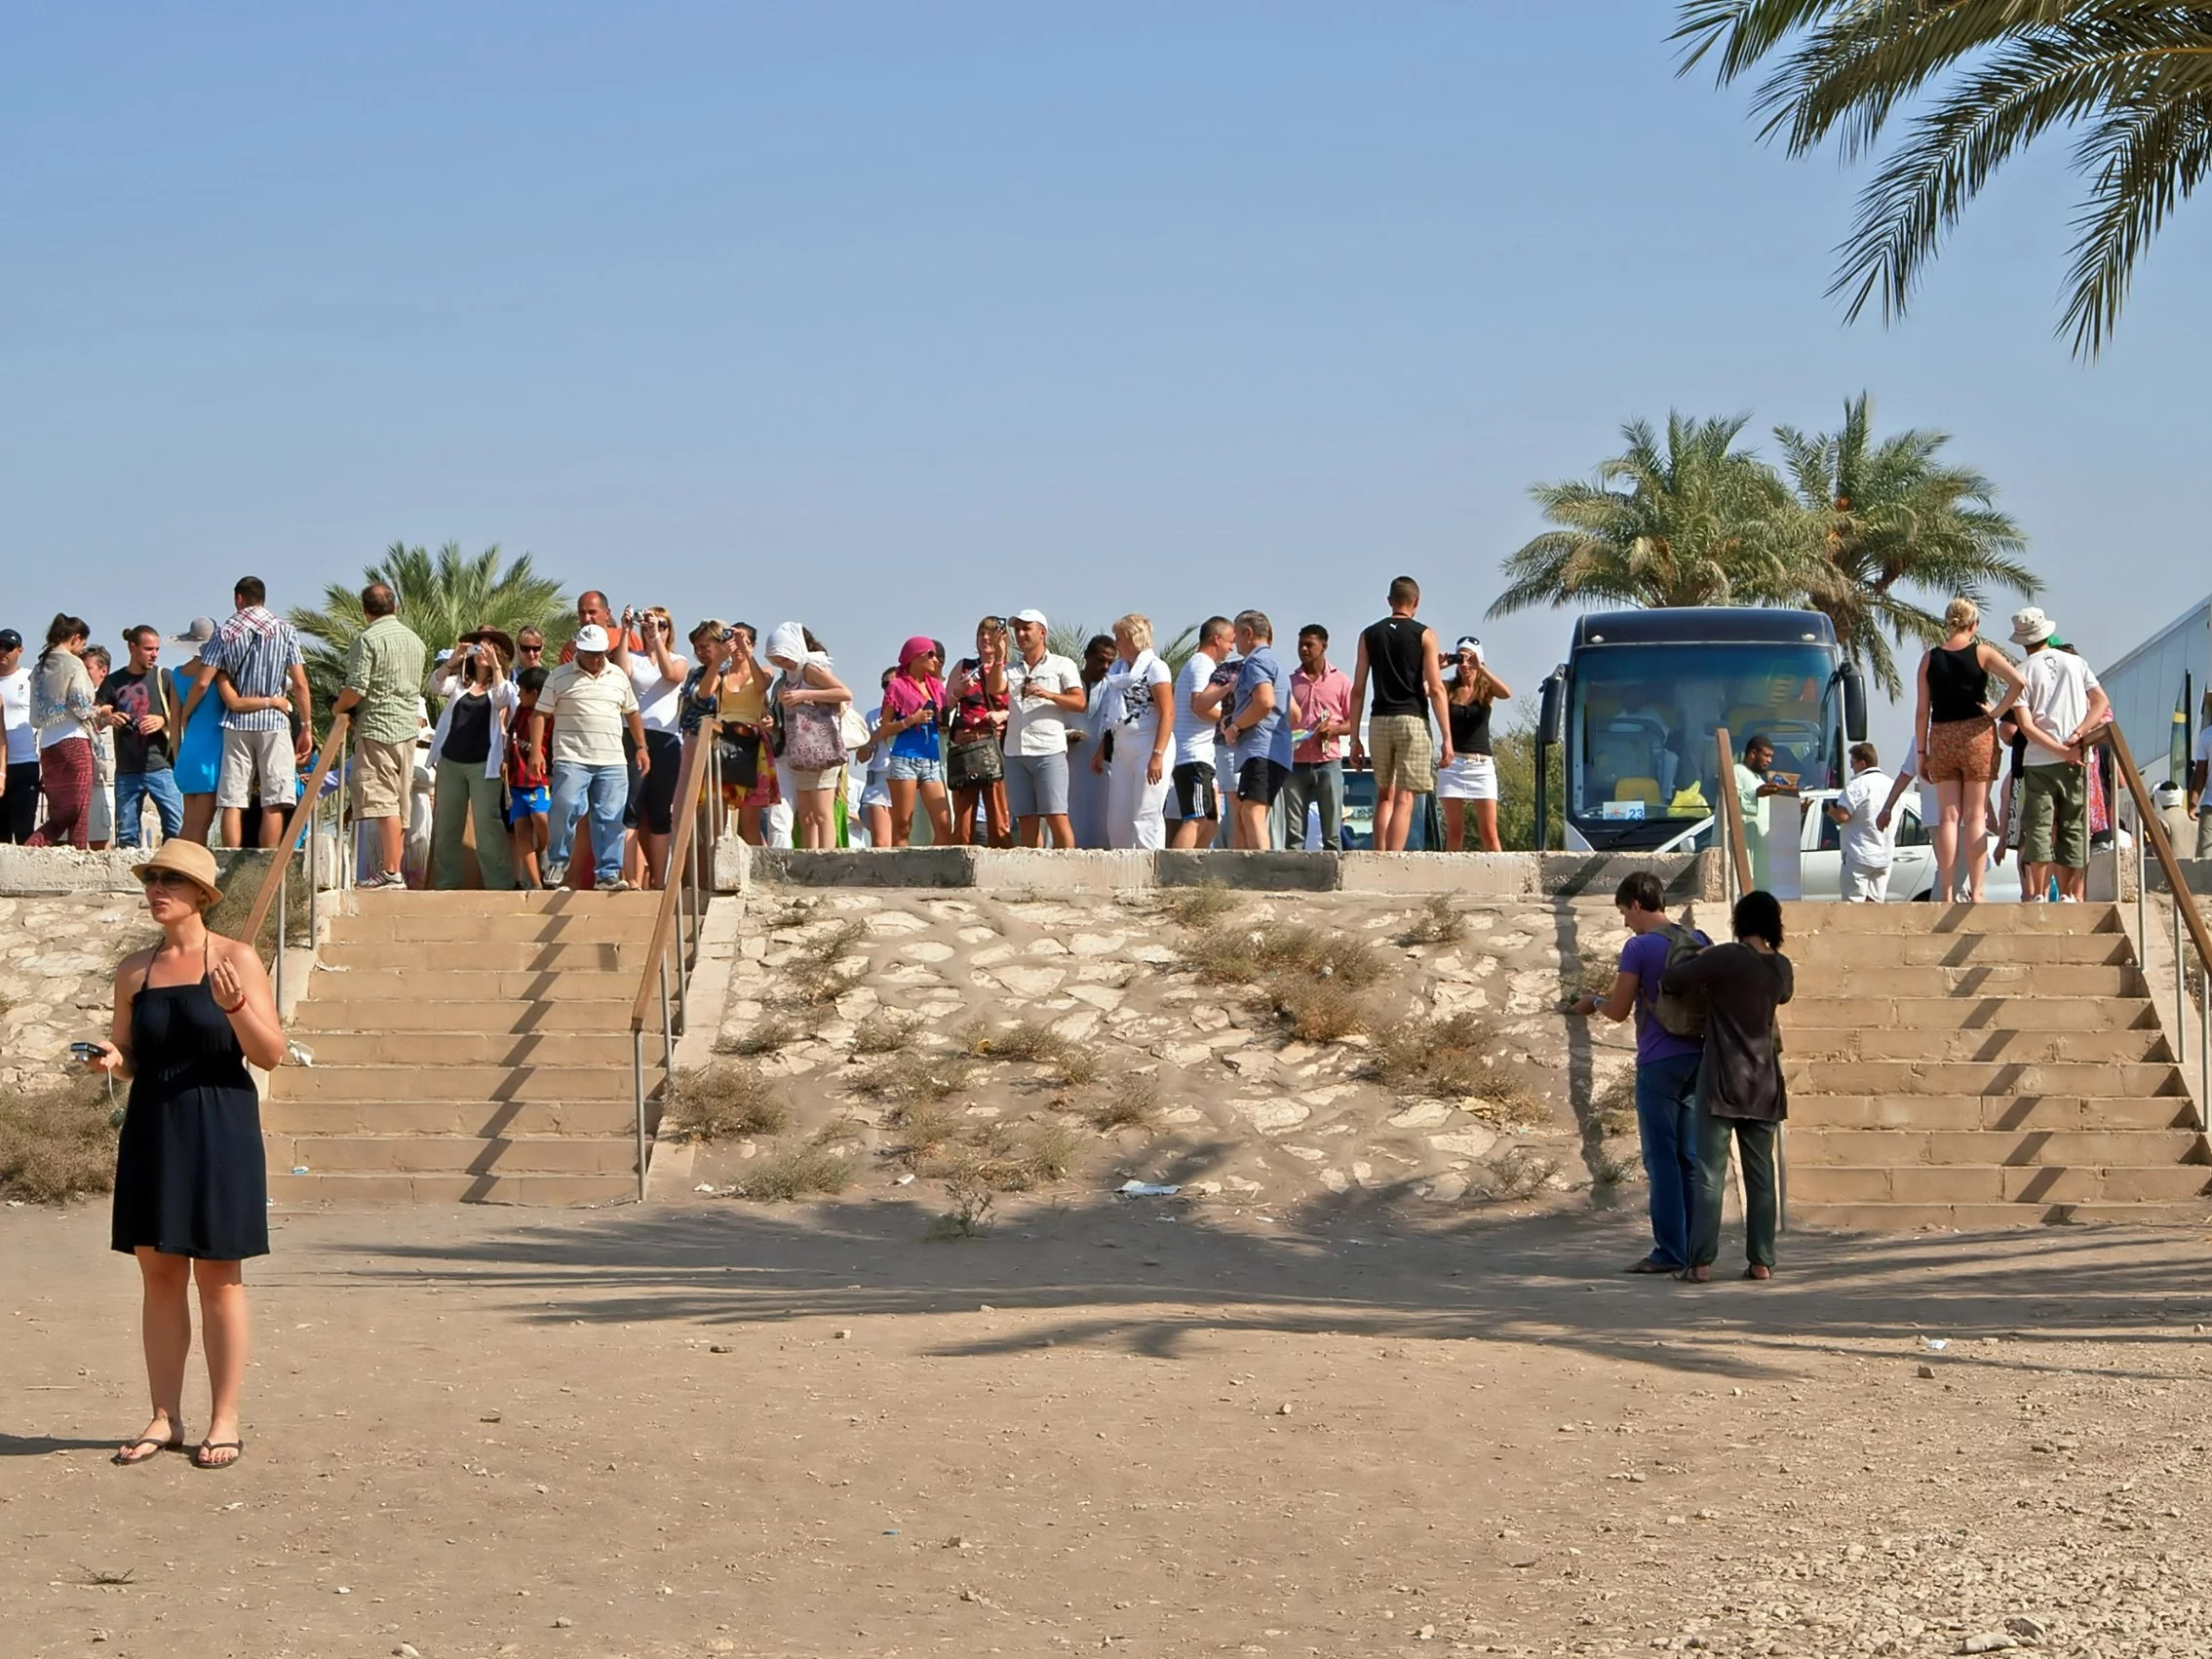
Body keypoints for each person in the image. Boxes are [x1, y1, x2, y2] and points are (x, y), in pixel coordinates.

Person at [86, 837, 285, 1470]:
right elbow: (129, 1055)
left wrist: (233, 1007)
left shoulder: (235, 958)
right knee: (159, 1274)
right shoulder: (133, 970)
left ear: (202, 894)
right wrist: (110, 1060)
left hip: (221, 1125)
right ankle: (165, 1417)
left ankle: (225, 1418)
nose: (157, 889)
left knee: (220, 1278)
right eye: (152, 879)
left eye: (171, 880)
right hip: (153, 1126)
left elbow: (270, 1053)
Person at [1569, 870, 1705, 1276]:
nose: (1625, 920)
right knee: (1692, 1157)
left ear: (1637, 905)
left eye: (1624, 911)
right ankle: (1700, 1248)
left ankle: (1669, 1251)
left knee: (1661, 1158)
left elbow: (1619, 1009)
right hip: (1701, 1055)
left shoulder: (1638, 947)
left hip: (1659, 1059)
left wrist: (1591, 1000)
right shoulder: (1699, 940)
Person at [1662, 888, 1793, 1284]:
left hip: (1722, 1076)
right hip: (1765, 1081)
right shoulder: (1781, 967)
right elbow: (1784, 996)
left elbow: (1672, 980)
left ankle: (1700, 1263)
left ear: (1739, 921)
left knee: (1709, 1173)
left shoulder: (1726, 957)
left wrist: (1699, 956)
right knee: (1761, 1174)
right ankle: (1762, 1261)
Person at [1910, 597, 2028, 904]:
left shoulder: (1929, 659)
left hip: (1942, 736)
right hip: (1977, 734)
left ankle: (1947, 891)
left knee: (1949, 817)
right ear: (1974, 624)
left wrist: (1922, 752)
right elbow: (2018, 681)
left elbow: (1922, 711)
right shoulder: (1982, 652)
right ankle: (1977, 891)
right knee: (1975, 816)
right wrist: (1997, 711)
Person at [183, 578, 311, 851]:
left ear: (239, 598)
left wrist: (186, 711)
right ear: (263, 598)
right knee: (274, 798)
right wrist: (307, 726)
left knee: (233, 798)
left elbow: (204, 681)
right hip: (274, 723)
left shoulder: (226, 631)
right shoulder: (285, 630)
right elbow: (300, 683)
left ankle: (230, 861)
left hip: (237, 722)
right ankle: (265, 864)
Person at [533, 623, 649, 892]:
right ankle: (557, 861)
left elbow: (631, 712)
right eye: (589, 653)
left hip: (612, 760)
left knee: (611, 816)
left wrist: (641, 747)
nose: (596, 659)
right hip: (571, 757)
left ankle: (607, 874)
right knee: (564, 806)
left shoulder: (618, 676)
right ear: (578, 650)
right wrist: (537, 752)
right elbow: (541, 713)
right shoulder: (559, 676)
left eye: (600, 653)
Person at [329, 583, 428, 887]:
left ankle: (391, 872)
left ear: (365, 611)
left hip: (377, 727)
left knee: (383, 802)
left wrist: (338, 707)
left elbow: (357, 687)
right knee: (399, 803)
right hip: (407, 729)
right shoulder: (415, 641)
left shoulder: (367, 639)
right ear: (394, 607)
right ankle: (393, 870)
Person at [2009, 606, 2111, 903]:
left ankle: (2037, 893)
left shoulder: (2022, 672)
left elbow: (2024, 726)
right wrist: (2079, 735)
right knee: (2073, 826)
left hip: (2039, 761)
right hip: (2078, 758)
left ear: (2022, 640)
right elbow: (2100, 702)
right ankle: (2069, 894)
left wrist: (2057, 750)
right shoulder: (2076, 663)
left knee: (2039, 827)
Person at [1349, 575, 1455, 852]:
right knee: (1406, 797)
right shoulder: (1425, 634)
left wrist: (1353, 739)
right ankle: (1394, 860)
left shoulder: (1368, 635)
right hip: (1412, 719)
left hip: (1379, 718)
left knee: (1384, 794)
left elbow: (1358, 689)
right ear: (1416, 602)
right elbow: (1435, 688)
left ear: (1389, 601)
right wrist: (1447, 737)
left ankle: (1379, 855)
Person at [426, 631, 519, 891]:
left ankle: (499, 886)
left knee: (487, 827)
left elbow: (503, 698)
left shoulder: (504, 686)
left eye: (489, 647)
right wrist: (453, 660)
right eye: (479, 646)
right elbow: (434, 685)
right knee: (446, 828)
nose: (482, 651)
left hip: (483, 765)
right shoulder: (459, 684)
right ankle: (446, 885)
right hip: (451, 762)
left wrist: (497, 667)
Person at [999, 610, 1085, 849]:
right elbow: (996, 687)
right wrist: (999, 655)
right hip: (1016, 751)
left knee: (1056, 815)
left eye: (1027, 628)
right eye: (1018, 629)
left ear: (1042, 632)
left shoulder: (1062, 664)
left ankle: (1068, 872)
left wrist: (1048, 694)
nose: (1021, 633)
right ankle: (1032, 876)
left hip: (1049, 750)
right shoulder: (1011, 669)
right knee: (1026, 819)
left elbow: (1079, 702)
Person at [618, 606, 689, 888]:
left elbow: (671, 675)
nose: (653, 629)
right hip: (633, 735)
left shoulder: (678, 658)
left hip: (666, 739)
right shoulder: (633, 658)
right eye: (649, 624)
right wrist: (625, 630)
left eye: (662, 624)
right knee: (631, 806)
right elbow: (622, 672)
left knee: (661, 811)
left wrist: (657, 639)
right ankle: (632, 879)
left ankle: (660, 880)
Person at [764, 623, 851, 851]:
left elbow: (843, 693)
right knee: (807, 817)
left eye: (783, 658)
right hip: (802, 752)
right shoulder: (786, 679)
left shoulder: (812, 668)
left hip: (822, 749)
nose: (782, 664)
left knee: (822, 814)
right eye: (777, 661)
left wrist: (803, 694)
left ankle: (826, 859)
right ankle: (809, 858)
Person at [97, 626, 186, 849]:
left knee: (176, 831)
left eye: (156, 649)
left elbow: (183, 714)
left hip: (162, 766)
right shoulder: (113, 681)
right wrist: (109, 717)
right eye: (148, 649)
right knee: (127, 837)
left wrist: (162, 721)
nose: (154, 654)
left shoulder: (164, 677)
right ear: (132, 647)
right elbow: (98, 713)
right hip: (127, 770)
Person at [1100, 613, 1175, 850]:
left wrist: (1157, 755)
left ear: (1133, 638)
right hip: (1123, 746)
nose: (1116, 644)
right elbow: (1113, 719)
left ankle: (1148, 873)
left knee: (1146, 813)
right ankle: (1121, 871)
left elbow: (1168, 713)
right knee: (1117, 819)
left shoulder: (1156, 668)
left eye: (1119, 638)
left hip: (1149, 744)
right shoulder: (1118, 672)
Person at [1223, 611, 1295, 850]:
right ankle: (1245, 873)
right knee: (1247, 813)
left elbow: (1264, 701)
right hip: (1276, 751)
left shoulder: (1255, 663)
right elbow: (1295, 713)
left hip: (1260, 750)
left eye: (1236, 635)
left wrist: (1236, 726)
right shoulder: (1276, 665)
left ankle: (1261, 873)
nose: (1234, 643)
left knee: (1252, 813)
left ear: (1248, 633)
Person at [27, 614, 97, 849]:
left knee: (59, 817)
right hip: (74, 741)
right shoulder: (73, 663)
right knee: (79, 814)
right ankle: (79, 866)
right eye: (83, 644)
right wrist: (98, 712)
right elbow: (79, 703)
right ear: (76, 638)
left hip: (47, 745)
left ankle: (30, 851)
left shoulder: (39, 667)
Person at [1436, 637, 1511, 852]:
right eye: (1462, 658)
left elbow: (1506, 693)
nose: (1465, 665)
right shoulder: (1448, 687)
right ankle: (1450, 881)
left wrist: (1482, 668)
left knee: (1489, 831)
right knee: (1454, 831)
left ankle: (1499, 880)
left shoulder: (1486, 689)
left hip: (1481, 765)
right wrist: (1438, 667)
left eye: (1470, 659)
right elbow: (1418, 687)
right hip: (1453, 763)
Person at [1284, 625, 1354, 851]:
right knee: (1294, 834)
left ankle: (1332, 878)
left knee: (1332, 832)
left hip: (1329, 762)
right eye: (1301, 644)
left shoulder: (1341, 681)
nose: (1304, 650)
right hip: (1296, 763)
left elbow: (1353, 721)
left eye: (1309, 645)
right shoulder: (1290, 683)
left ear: (1324, 647)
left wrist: (1333, 730)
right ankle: (1293, 876)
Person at [879, 637, 953, 847]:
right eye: (929, 654)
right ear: (915, 657)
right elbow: (885, 728)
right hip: (905, 758)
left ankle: (933, 870)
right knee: (903, 825)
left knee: (944, 825)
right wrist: (912, 720)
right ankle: (901, 873)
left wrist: (942, 721)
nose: (935, 660)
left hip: (932, 760)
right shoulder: (897, 687)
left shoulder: (937, 688)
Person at [945, 618, 1011, 848]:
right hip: (965, 743)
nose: (985, 638)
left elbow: (1022, 708)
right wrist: (957, 691)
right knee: (963, 815)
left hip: (995, 743)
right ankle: (959, 863)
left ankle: (1002, 866)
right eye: (981, 633)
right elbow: (946, 706)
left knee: (998, 813)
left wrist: (1004, 715)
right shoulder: (964, 665)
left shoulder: (1010, 670)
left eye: (991, 633)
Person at [1169, 616, 1234, 851]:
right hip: (1193, 756)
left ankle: (1195, 870)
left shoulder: (1202, 665)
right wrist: (1231, 721)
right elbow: (1200, 706)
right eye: (1229, 641)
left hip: (1202, 758)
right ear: (1216, 639)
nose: (1232, 648)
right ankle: (1174, 872)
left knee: (1210, 821)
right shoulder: (1202, 665)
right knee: (1196, 819)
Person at [166, 618, 225, 845]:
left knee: (188, 822)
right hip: (212, 751)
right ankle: (188, 873)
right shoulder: (217, 673)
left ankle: (178, 870)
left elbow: (174, 722)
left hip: (188, 751)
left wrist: (178, 755)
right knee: (201, 825)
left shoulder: (178, 673)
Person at [1826, 742, 1896, 902]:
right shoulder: (1891, 785)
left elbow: (1842, 817)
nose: (1852, 768)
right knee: (1875, 906)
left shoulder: (1857, 784)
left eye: (1852, 764)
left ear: (1862, 763)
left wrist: (1830, 810)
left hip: (1858, 854)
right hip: (1884, 854)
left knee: (1854, 907)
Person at [1732, 734, 1802, 889]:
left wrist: (1796, 809)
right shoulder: (1736, 771)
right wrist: (1755, 794)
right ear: (1753, 754)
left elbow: (1770, 813)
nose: (1770, 761)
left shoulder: (1759, 780)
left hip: (1760, 848)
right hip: (1743, 847)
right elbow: (1729, 800)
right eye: (1767, 755)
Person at [1067, 633, 1116, 849]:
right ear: (1087, 656)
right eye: (1101, 660)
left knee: (1103, 817)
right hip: (1070, 763)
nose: (1105, 667)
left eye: (1110, 662)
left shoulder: (1114, 689)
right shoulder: (1068, 687)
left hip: (1102, 767)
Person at [506, 664, 552, 888]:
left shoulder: (551, 718)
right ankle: (536, 883)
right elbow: (510, 735)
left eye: (521, 690)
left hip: (540, 782)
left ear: (534, 694)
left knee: (540, 818)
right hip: (517, 782)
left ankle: (544, 848)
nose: (518, 695)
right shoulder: (521, 711)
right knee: (521, 830)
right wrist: (506, 760)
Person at [0, 627, 36, 844]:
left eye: (9, 647)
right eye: (0, 647)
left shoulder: (30, 678)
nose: (3, 652)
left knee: (24, 830)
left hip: (26, 762)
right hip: (0, 766)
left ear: (20, 650)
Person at [80, 646, 118, 850]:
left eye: (87, 668)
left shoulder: (114, 698)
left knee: (100, 845)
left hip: (102, 783)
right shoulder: (75, 699)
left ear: (103, 670)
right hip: (77, 782)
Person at [2190, 691, 2212, 861]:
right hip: (2209, 805)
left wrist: (2193, 802)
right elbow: (2200, 773)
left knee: (2206, 855)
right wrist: (2194, 802)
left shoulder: (2206, 736)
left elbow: (2200, 773)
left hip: (2209, 806)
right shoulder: (2206, 736)